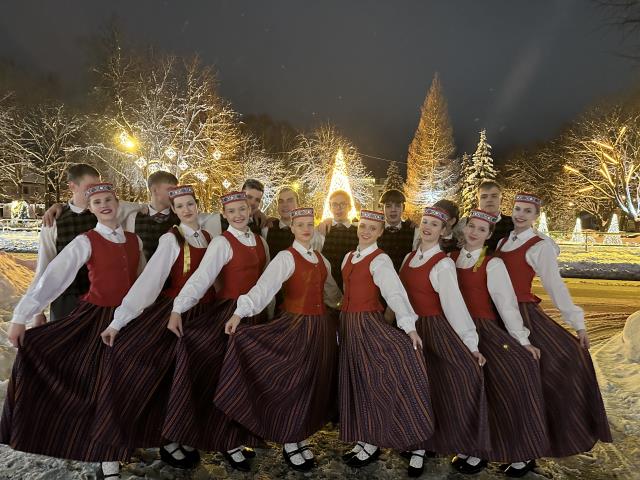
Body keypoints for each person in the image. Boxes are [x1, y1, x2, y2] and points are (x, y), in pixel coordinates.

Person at [1, 183, 145, 480]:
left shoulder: (134, 241)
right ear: (90, 208)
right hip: (94, 319)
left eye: (109, 200)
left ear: (118, 204)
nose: (104, 205)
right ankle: (107, 456)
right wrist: (21, 316)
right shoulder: (86, 241)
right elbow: (53, 279)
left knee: (122, 384)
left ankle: (120, 440)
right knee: (101, 384)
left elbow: (143, 282)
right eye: (97, 202)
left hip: (128, 320)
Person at [92, 185, 213, 470]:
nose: (186, 210)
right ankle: (117, 448)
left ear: (198, 205)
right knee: (149, 376)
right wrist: (119, 321)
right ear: (173, 210)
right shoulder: (171, 240)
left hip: (203, 316)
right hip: (174, 315)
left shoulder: (209, 238)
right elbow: (150, 282)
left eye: (190, 204)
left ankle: (173, 436)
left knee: (182, 382)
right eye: (180, 206)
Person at [216, 207, 342, 472]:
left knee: (311, 383)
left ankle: (300, 437)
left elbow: (331, 293)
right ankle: (289, 441)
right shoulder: (286, 258)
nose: (306, 229)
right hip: (295, 327)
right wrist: (240, 313)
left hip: (320, 330)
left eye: (310, 224)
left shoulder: (322, 259)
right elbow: (264, 288)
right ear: (293, 228)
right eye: (301, 225)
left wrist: (344, 313)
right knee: (293, 384)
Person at [495, 193, 612, 477]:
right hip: (496, 315)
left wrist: (578, 323)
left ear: (536, 215)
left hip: (522, 316)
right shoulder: (502, 241)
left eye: (527, 211)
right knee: (505, 385)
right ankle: (511, 444)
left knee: (537, 378)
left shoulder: (540, 247)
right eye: (517, 209)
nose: (520, 215)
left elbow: (555, 286)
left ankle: (528, 451)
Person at [163, 191, 268, 472]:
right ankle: (227, 443)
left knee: (243, 379)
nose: (238, 215)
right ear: (224, 214)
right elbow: (203, 277)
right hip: (228, 316)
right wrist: (178, 308)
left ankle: (237, 435)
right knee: (226, 377)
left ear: (251, 209)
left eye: (242, 209)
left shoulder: (259, 241)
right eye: (231, 211)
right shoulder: (222, 242)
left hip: (252, 315)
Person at [451, 208, 548, 476]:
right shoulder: (450, 258)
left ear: (489, 235)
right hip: (456, 331)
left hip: (485, 332)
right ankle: (472, 446)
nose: (474, 232)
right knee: (467, 392)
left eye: (482, 230)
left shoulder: (492, 263)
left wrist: (522, 340)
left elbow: (506, 305)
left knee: (500, 389)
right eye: (471, 226)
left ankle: (522, 452)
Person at [338, 210, 434, 468]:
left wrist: (408, 326)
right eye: (363, 226)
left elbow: (395, 293)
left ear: (380, 232)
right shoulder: (349, 256)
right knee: (358, 382)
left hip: (368, 324)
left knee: (373, 383)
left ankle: (374, 442)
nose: (366, 231)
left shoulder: (380, 260)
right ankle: (365, 437)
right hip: (349, 326)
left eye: (373, 228)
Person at [399, 206, 489, 477]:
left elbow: (454, 306)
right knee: (412, 387)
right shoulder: (409, 257)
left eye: (434, 225)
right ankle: (415, 439)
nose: (427, 227)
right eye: (425, 222)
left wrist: (471, 345)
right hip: (409, 329)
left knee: (446, 383)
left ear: (444, 231)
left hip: (433, 331)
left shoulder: (443, 263)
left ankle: (431, 446)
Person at [28, 164, 139, 321]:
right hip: (67, 300)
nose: (94, 191)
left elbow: (146, 207)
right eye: (89, 186)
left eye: (97, 185)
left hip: (103, 302)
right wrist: (37, 311)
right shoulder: (54, 221)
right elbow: (44, 266)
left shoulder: (107, 211)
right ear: (72, 186)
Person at [122, 171, 180, 260]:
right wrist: (137, 207)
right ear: (154, 190)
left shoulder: (180, 218)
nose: (174, 194)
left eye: (175, 190)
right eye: (170, 190)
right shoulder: (134, 217)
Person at [314, 189, 358, 290]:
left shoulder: (358, 232)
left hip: (350, 286)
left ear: (350, 207)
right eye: (335, 204)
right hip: (326, 288)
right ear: (330, 207)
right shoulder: (321, 230)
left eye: (343, 204)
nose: (339, 208)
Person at [455, 181, 514, 253]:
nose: (489, 200)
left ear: (501, 199)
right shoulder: (464, 225)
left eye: (494, 196)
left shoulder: (513, 224)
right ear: (478, 200)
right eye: (484, 197)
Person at [201, 179, 270, 237]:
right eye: (249, 197)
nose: (252, 203)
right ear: (240, 194)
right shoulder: (217, 221)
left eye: (257, 200)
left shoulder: (261, 224)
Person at [376, 189, 417, 272]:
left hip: (404, 281)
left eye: (398, 206)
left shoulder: (412, 231)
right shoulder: (376, 231)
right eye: (388, 206)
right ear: (382, 209)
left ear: (403, 208)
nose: (393, 210)